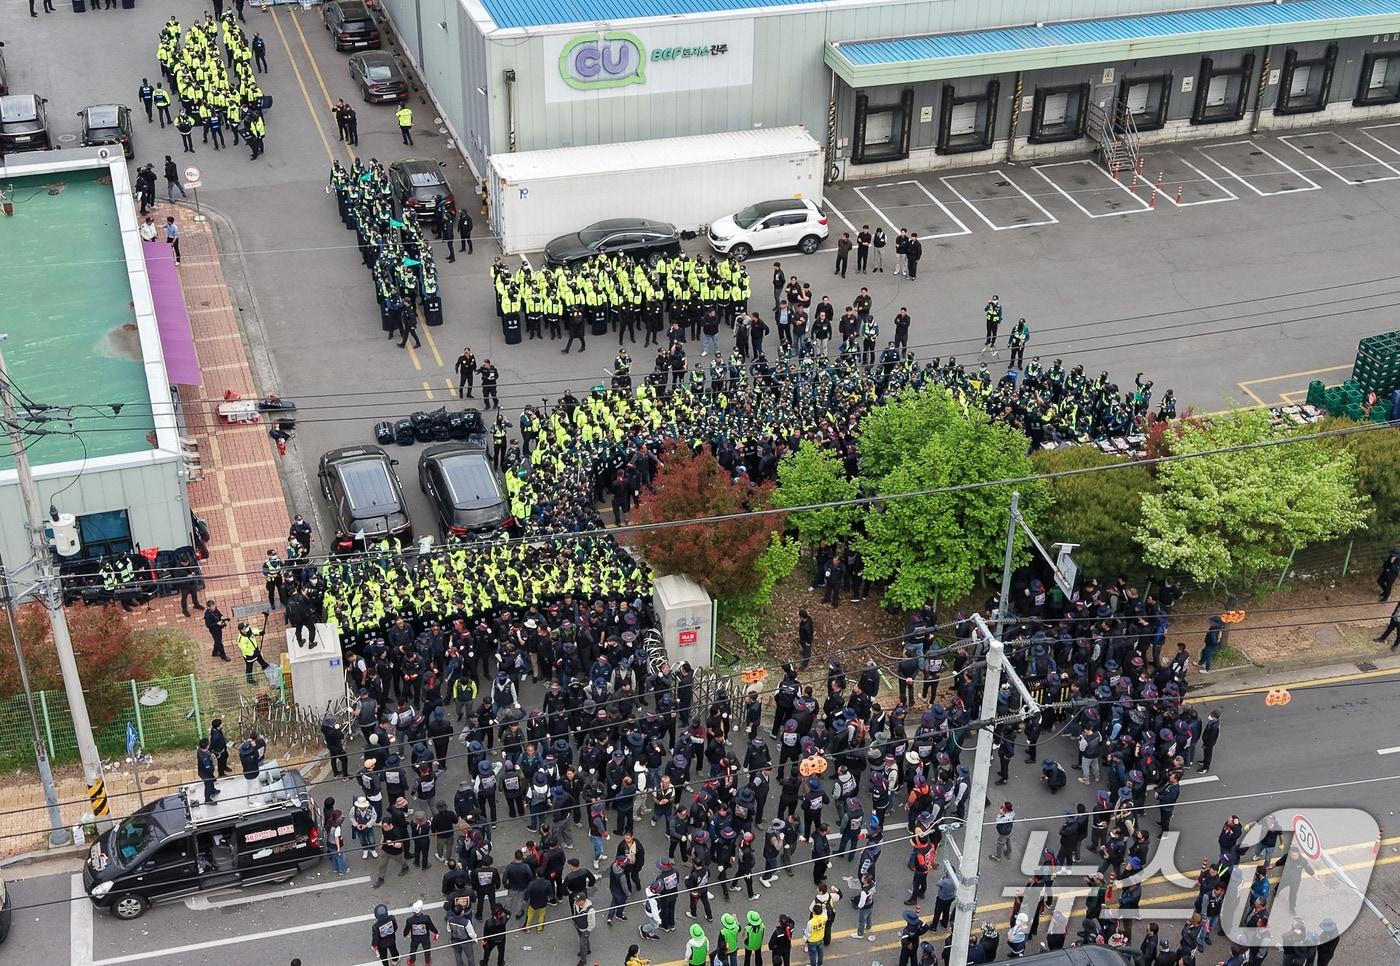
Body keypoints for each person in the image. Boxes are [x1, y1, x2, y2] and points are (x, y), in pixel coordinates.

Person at [403, 899, 439, 966]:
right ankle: (427, 962)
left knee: (413, 950)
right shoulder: (426, 918)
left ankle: (412, 962)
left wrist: (405, 934)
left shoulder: (409, 920)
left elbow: (406, 931)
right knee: (427, 949)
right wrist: (436, 932)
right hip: (425, 938)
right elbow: (431, 926)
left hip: (415, 938)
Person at [571, 892, 596, 966]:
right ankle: (587, 950)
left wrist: (588, 931)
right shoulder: (575, 904)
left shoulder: (590, 910)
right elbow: (575, 912)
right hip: (578, 926)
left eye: (578, 901)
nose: (576, 902)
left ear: (583, 900)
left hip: (585, 929)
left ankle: (583, 960)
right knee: (584, 941)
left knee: (582, 944)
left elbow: (592, 923)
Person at [196, 738, 218, 804]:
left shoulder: (200, 750)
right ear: (207, 746)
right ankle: (207, 799)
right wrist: (214, 778)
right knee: (208, 785)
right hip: (205, 773)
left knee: (211, 782)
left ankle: (213, 791)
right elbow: (208, 769)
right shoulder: (204, 758)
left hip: (204, 770)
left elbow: (208, 752)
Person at [327, 807, 348, 874]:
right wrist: (338, 848)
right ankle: (342, 870)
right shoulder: (337, 827)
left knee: (334, 857)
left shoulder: (330, 822)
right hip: (334, 845)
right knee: (340, 858)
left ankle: (335, 868)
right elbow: (336, 838)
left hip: (329, 843)